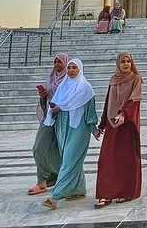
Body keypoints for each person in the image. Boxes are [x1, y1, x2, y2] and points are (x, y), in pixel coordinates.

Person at [42, 58, 98, 210]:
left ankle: (55, 196)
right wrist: (54, 109)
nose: (71, 70)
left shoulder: (85, 88)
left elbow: (90, 111)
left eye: (74, 68)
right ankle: (78, 189)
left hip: (79, 129)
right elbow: (53, 106)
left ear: (80, 69)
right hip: (62, 128)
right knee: (71, 160)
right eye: (69, 68)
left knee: (69, 161)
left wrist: (93, 128)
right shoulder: (63, 86)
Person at [94, 52, 143, 207]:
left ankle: (126, 192)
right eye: (123, 62)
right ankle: (105, 194)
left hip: (127, 126)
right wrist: (101, 126)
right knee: (106, 159)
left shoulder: (136, 79)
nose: (126, 64)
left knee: (126, 159)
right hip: (112, 123)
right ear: (118, 64)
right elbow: (108, 103)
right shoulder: (113, 80)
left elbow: (134, 100)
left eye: (128, 61)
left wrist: (124, 114)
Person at [28, 53, 68, 195]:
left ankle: (56, 178)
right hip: (49, 117)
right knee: (39, 148)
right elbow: (47, 99)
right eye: (55, 61)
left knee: (58, 150)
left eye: (60, 62)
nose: (57, 64)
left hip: (63, 118)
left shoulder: (69, 79)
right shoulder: (51, 78)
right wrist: (43, 96)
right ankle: (42, 180)